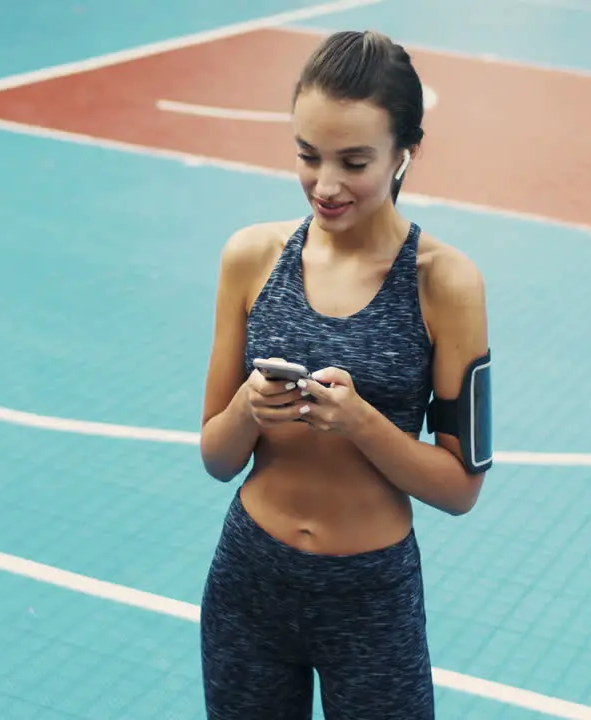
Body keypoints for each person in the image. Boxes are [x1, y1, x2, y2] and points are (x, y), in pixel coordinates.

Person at [196, 29, 493, 720]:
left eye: (354, 161)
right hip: (250, 582)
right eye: (308, 156)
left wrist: (362, 424)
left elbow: (459, 490)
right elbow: (216, 456)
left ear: (405, 152)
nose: (325, 186)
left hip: (371, 600)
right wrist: (248, 409)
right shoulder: (250, 258)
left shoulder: (447, 285)